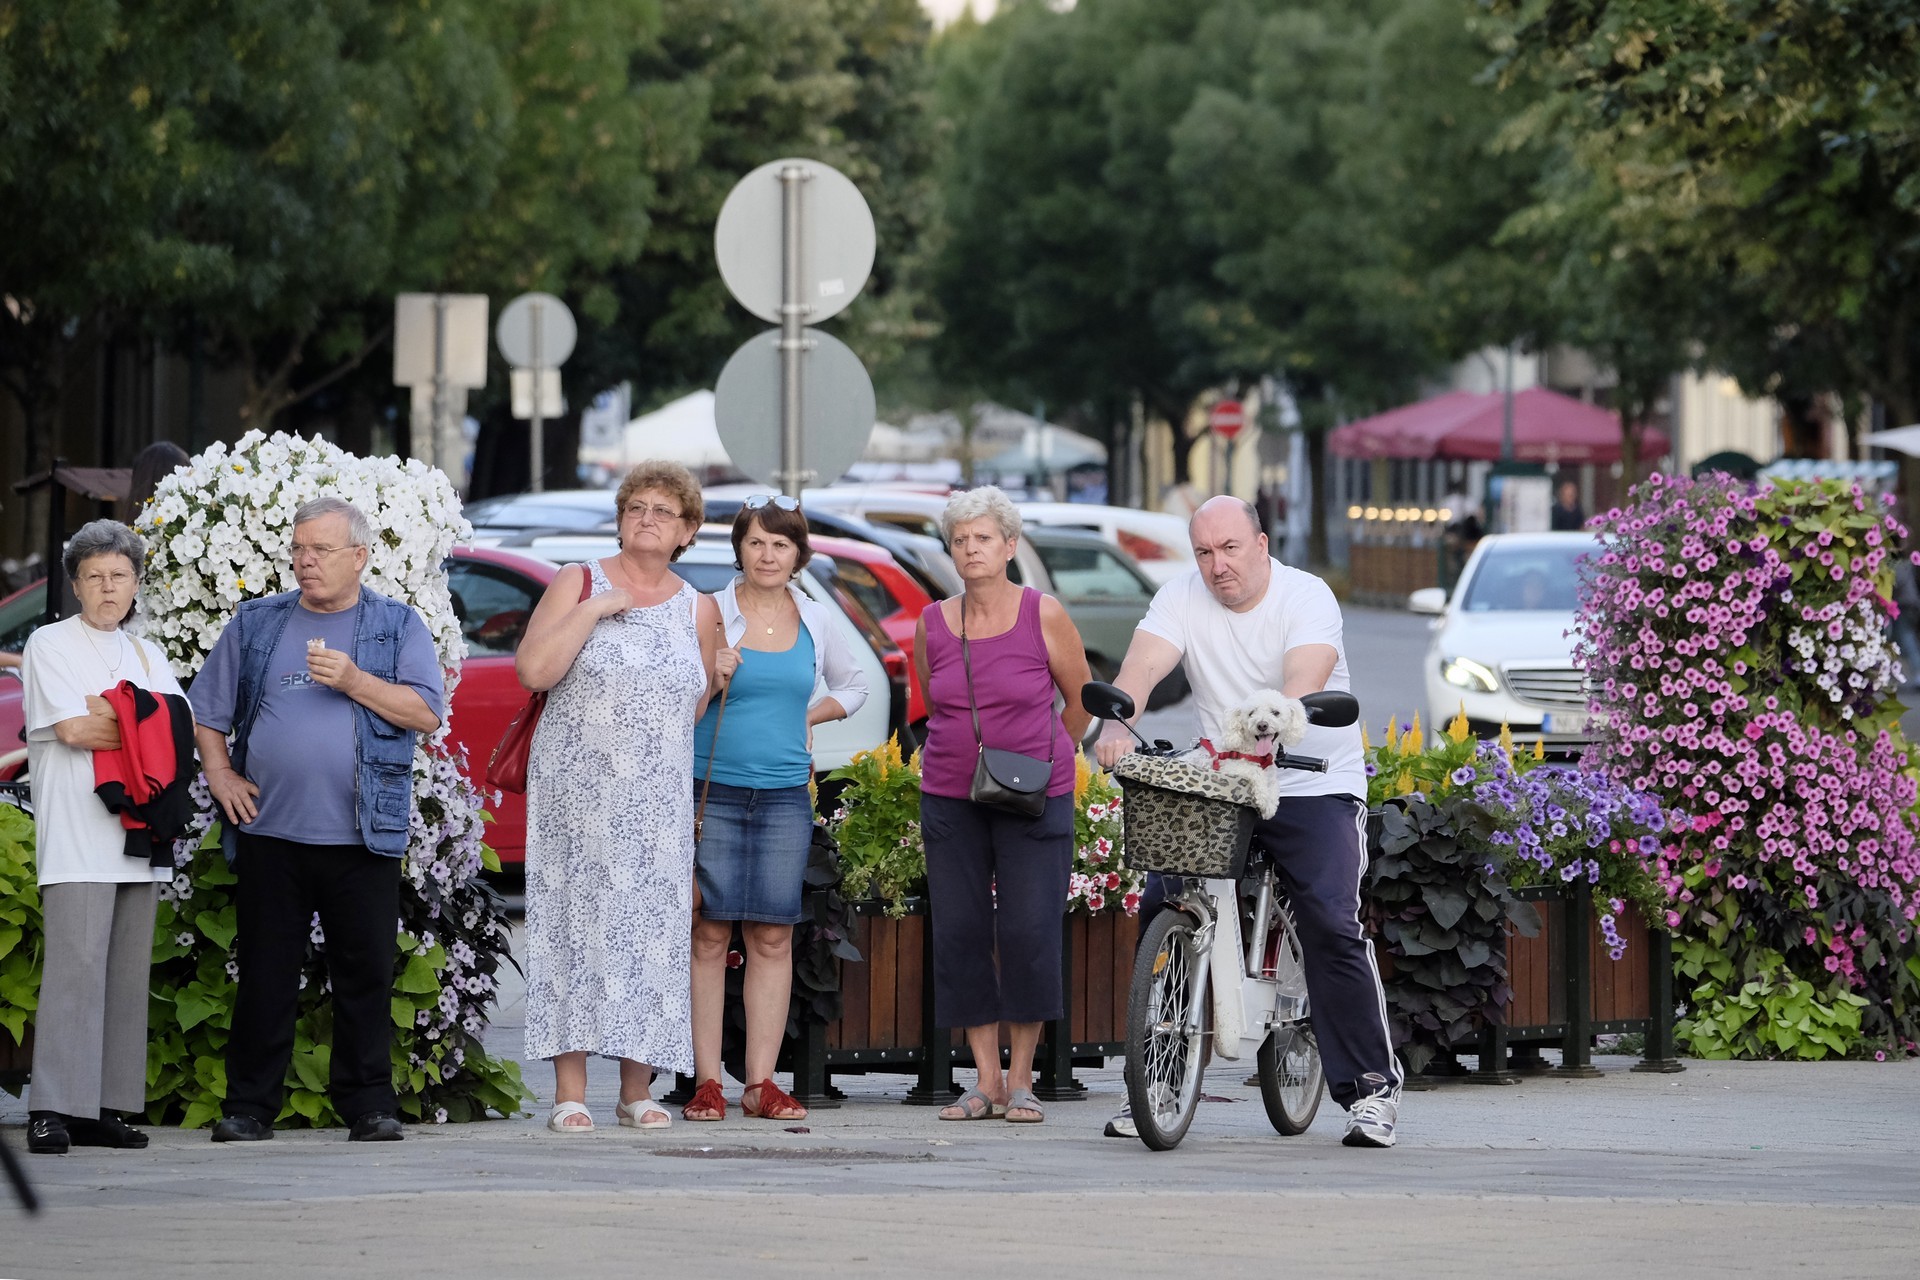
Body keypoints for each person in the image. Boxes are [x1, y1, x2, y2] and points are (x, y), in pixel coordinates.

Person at [1095, 496, 1403, 1147]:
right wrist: (1120, 721)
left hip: (1312, 781)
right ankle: (1158, 1081)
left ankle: (1371, 1090)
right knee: (1164, 902)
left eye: (1230, 548)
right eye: (1204, 552)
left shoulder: (1306, 595)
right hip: (1226, 783)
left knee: (1330, 920)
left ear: (1261, 544)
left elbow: (1304, 676)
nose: (1217, 565)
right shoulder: (1180, 596)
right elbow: (1143, 664)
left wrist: (1274, 726)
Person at [191, 497, 445, 1143]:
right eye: (298, 548)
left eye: (321, 549)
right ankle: (249, 1107)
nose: (305, 560)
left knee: (365, 974)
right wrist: (220, 774)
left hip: (362, 833)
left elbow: (425, 712)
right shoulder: (257, 622)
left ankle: (369, 1106)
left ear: (359, 556)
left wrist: (355, 680)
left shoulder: (395, 624)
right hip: (270, 830)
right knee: (266, 974)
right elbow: (207, 712)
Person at [514, 461, 722, 1133]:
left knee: (651, 937)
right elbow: (534, 669)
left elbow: (691, 706)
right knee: (572, 929)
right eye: (636, 507)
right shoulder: (578, 580)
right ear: (620, 518)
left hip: (656, 806)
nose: (648, 518)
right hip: (577, 798)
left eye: (664, 510)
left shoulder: (700, 608)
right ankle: (569, 1092)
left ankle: (637, 1091)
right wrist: (595, 610)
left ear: (687, 530)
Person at [682, 495, 869, 1123]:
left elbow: (855, 685)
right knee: (708, 934)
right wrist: (709, 676)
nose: (768, 555)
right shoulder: (710, 612)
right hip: (711, 789)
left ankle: (761, 1083)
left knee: (771, 935)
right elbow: (672, 698)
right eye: (756, 542)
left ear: (798, 555)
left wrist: (811, 715)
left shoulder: (815, 618)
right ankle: (708, 1082)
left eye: (781, 544)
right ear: (739, 548)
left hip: (785, 795)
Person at [915, 486, 1092, 1125]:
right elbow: (932, 701)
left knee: (1028, 930)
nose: (971, 549)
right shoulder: (933, 622)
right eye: (960, 540)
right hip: (950, 794)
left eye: (983, 538)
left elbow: (1080, 700)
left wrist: (1043, 758)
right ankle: (984, 1079)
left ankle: (1022, 1080)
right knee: (960, 931)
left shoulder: (1043, 613)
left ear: (1010, 546)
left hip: (1034, 796)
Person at [20, 520, 192, 1155]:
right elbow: (71, 730)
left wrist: (117, 713)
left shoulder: (147, 654)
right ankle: (51, 1108)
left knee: (124, 973)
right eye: (94, 576)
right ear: (75, 585)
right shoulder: (50, 644)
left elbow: (180, 734)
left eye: (119, 575)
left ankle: (103, 1107)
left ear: (136, 583)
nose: (107, 587)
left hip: (138, 835)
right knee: (76, 969)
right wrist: (145, 722)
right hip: (76, 834)